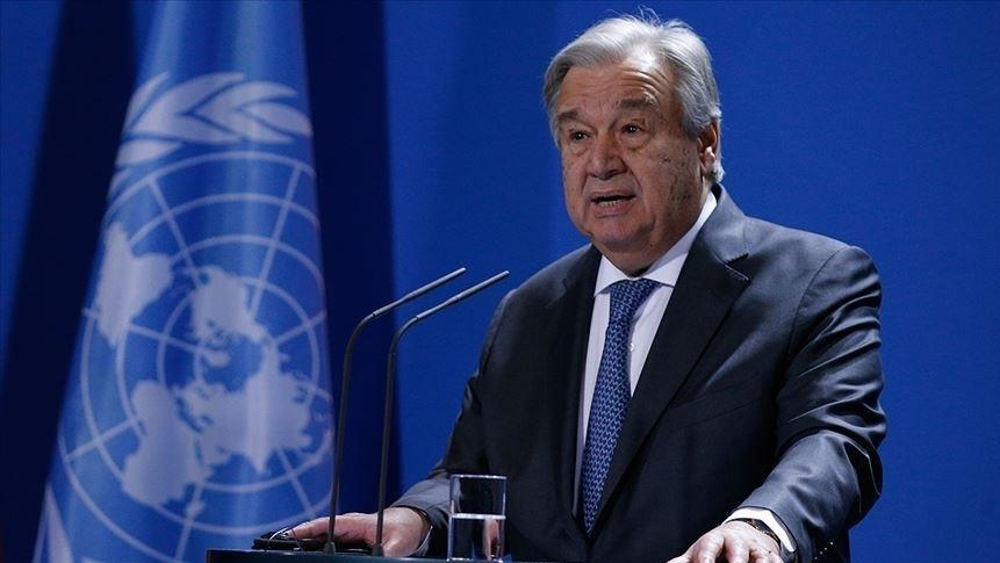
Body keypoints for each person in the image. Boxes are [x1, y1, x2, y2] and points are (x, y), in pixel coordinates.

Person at [294, 14, 885, 563]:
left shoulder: (811, 280)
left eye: (631, 129)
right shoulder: (530, 311)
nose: (600, 162)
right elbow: (471, 471)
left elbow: (835, 442)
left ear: (705, 144)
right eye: (577, 137)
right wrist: (415, 518)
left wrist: (761, 525)